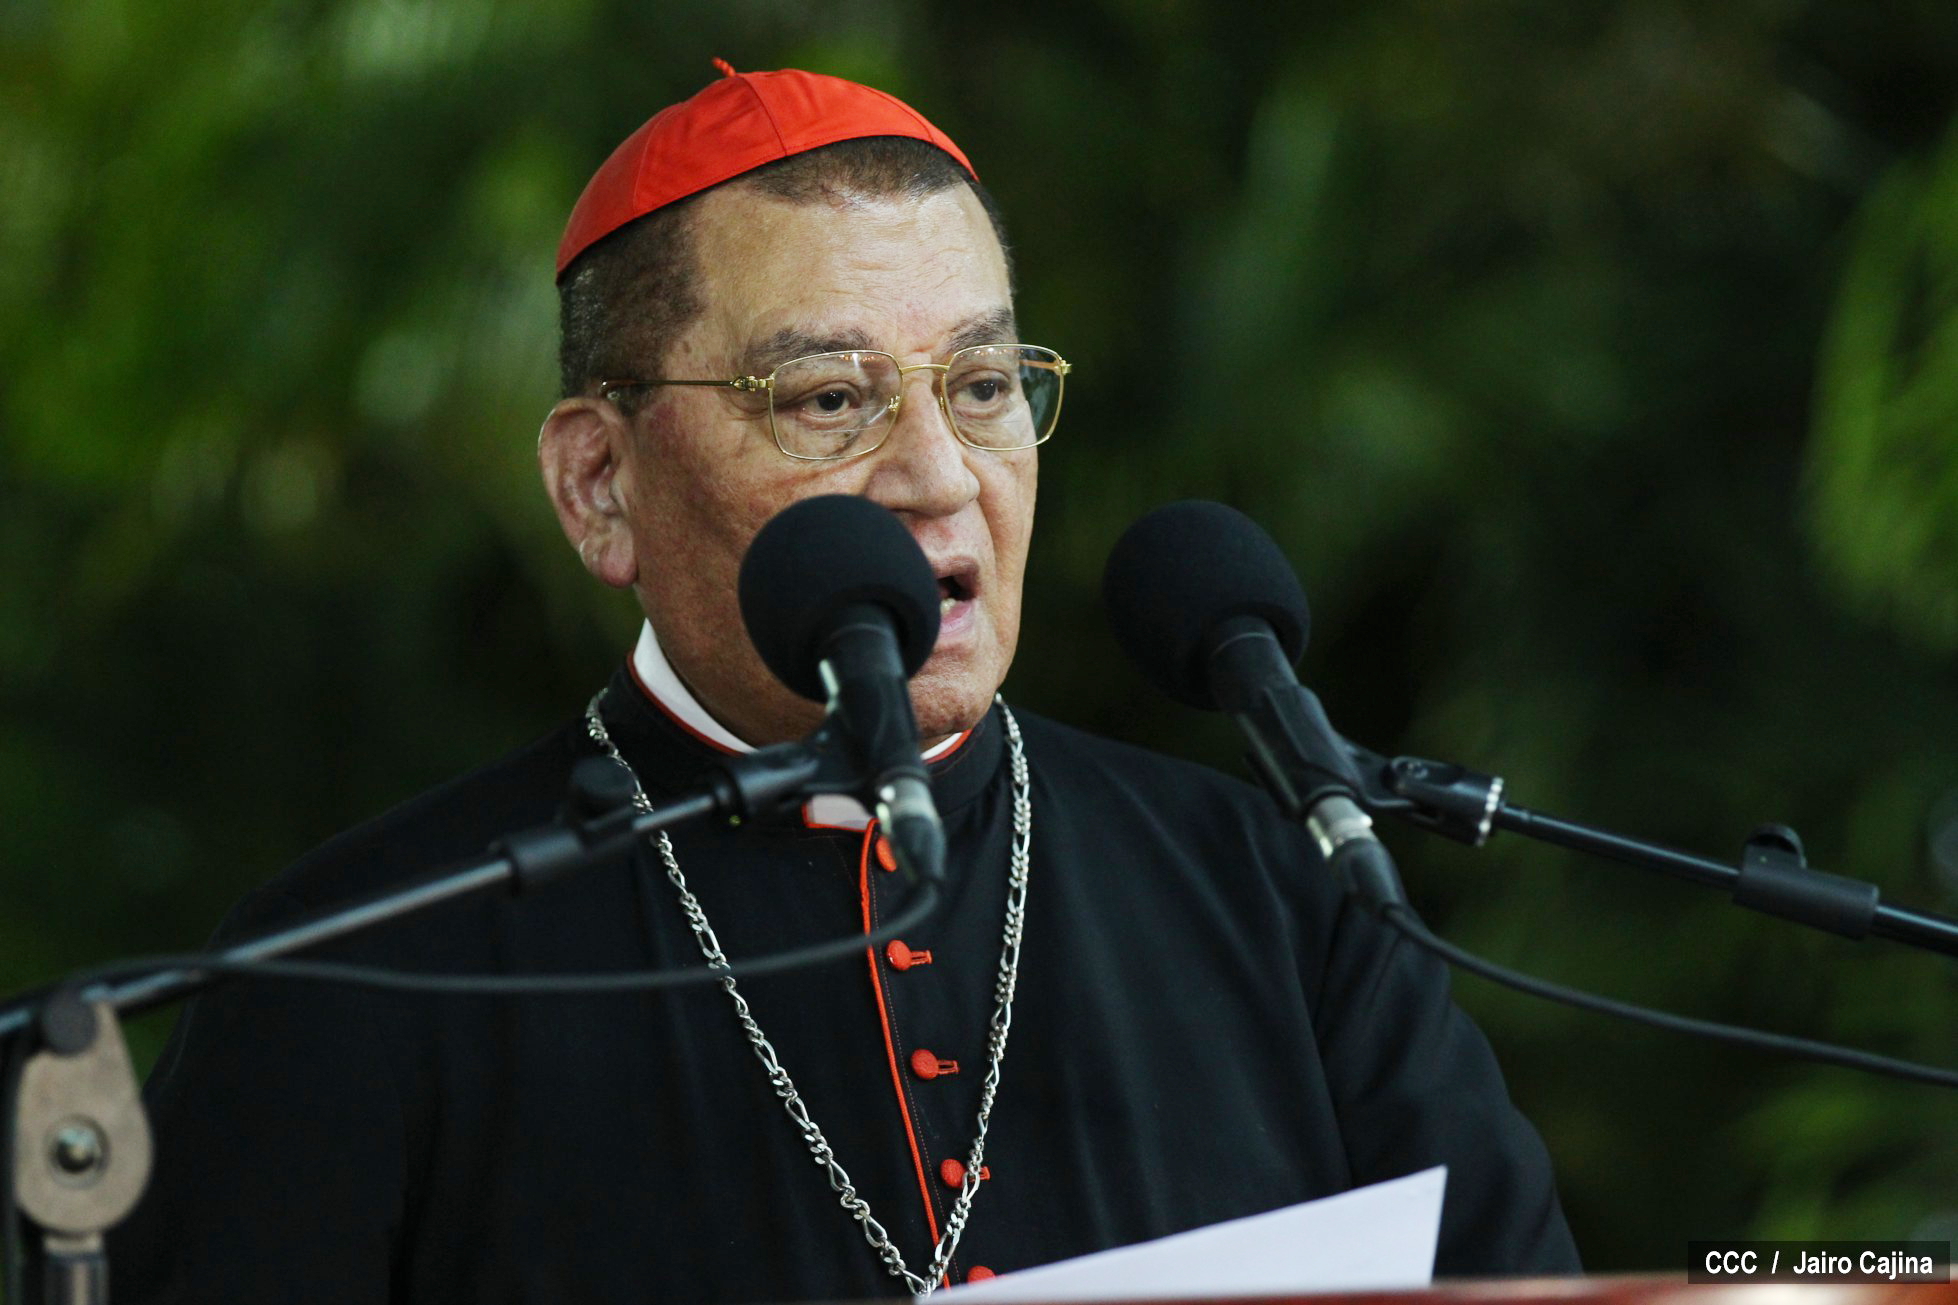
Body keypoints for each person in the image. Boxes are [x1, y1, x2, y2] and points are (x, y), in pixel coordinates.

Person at [108, 64, 1579, 1303]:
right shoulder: (358, 969)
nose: (940, 477)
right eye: (829, 398)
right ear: (600, 483)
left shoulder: (1284, 897)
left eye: (983, 386)